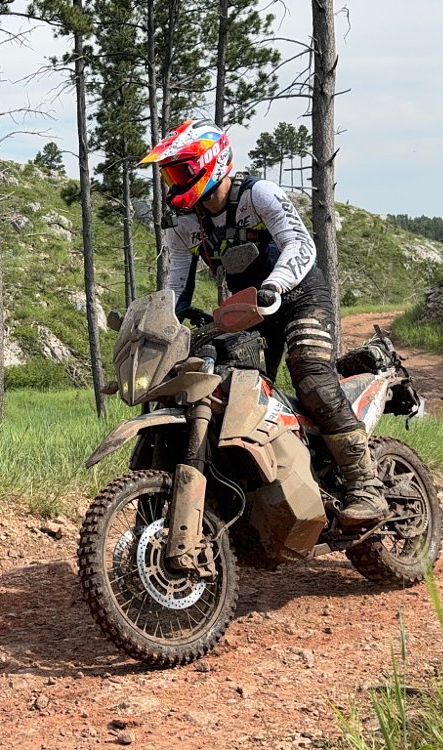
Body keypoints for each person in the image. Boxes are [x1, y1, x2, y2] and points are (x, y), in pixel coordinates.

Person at [139, 118, 387, 526]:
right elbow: (176, 281)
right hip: (248, 309)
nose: (174, 181)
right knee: (237, 392)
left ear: (212, 163)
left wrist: (274, 286)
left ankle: (366, 485)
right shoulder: (185, 223)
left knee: (310, 375)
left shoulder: (259, 195)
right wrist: (166, 315)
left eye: (181, 170)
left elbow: (299, 243)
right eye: (170, 173)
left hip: (300, 295)